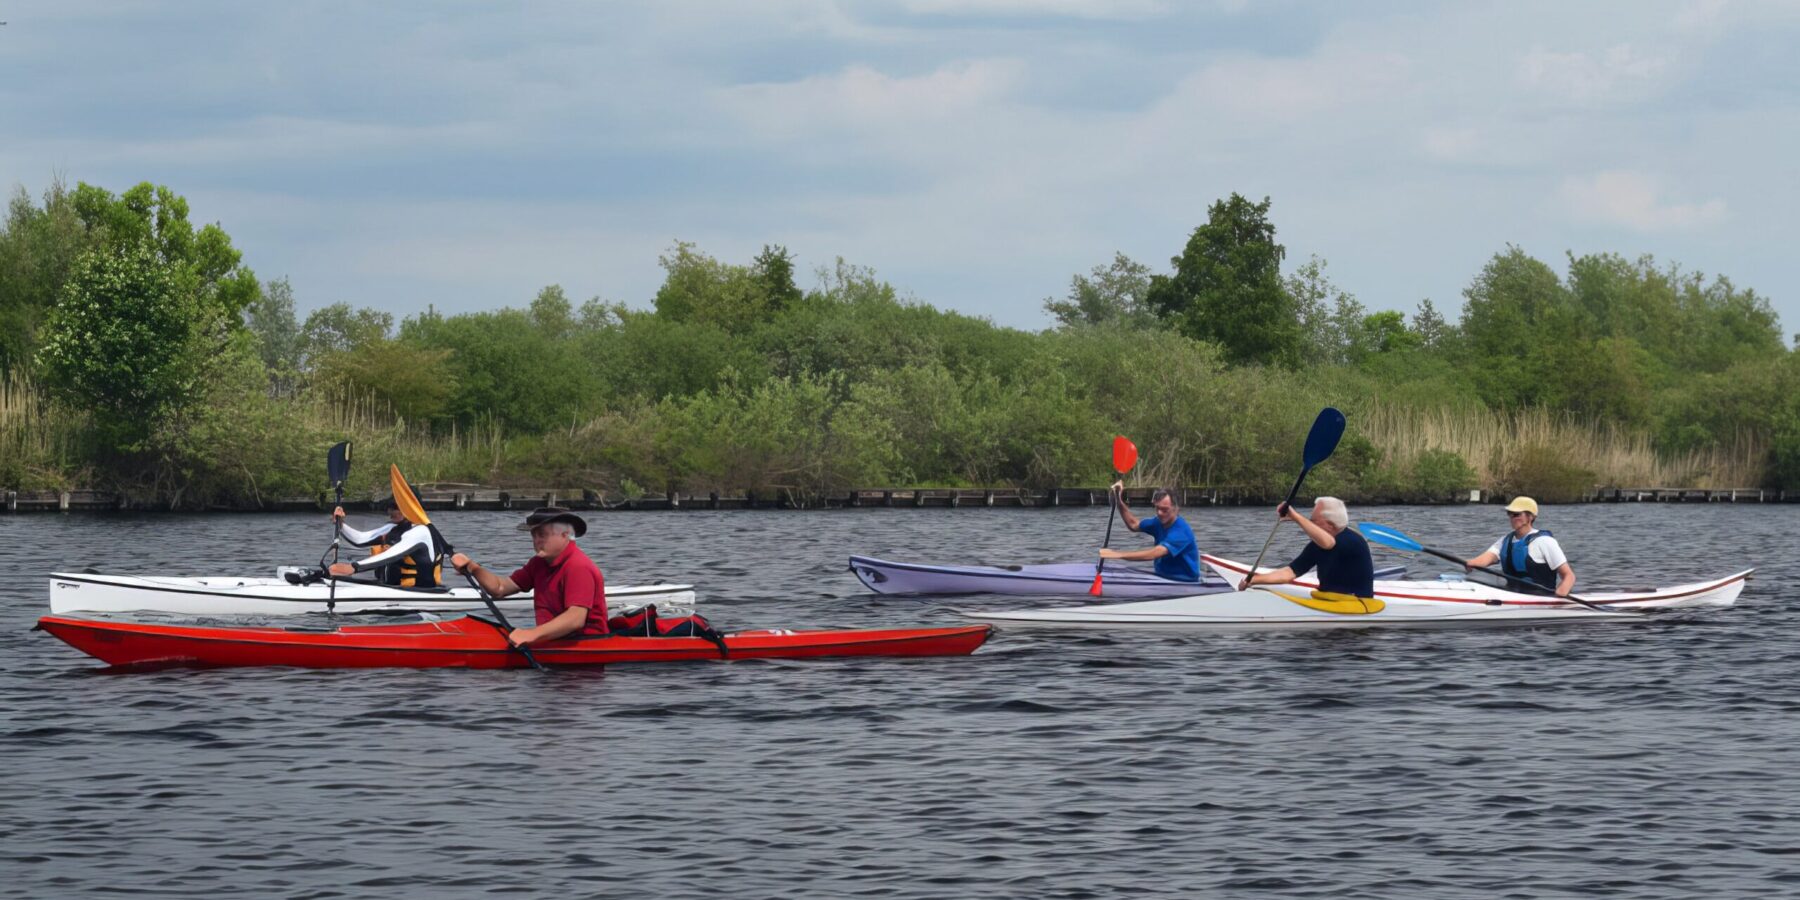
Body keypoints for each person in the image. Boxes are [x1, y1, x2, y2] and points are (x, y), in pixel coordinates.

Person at [449, 507, 608, 646]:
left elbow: (575, 619)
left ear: (565, 535)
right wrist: (473, 567)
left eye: (542, 535)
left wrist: (531, 634)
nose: (536, 541)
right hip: (553, 641)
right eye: (533, 536)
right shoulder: (538, 563)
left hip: (586, 645)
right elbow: (500, 588)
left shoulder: (578, 567)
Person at [1239, 497, 1374, 599]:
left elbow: (1329, 544)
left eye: (1313, 521)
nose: (1309, 524)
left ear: (1330, 525)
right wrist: (1252, 580)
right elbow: (1289, 573)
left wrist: (1295, 516)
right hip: (1329, 600)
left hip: (1357, 602)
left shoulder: (1352, 541)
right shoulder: (1318, 545)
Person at [1463, 496, 1575, 597]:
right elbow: (1487, 558)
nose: (1512, 518)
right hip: (1512, 594)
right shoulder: (1505, 541)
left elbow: (1569, 576)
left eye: (1516, 514)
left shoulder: (1545, 541)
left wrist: (1558, 598)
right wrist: (1471, 563)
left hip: (1540, 598)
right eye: (1510, 514)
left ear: (1530, 517)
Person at [327, 499, 445, 588]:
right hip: (390, 589)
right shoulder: (391, 528)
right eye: (390, 507)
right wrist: (341, 524)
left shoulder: (421, 531)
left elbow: (391, 554)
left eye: (395, 508)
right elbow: (359, 539)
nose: (390, 512)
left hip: (419, 594)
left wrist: (354, 567)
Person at [1098, 484, 1200, 582]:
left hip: (1184, 581)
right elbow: (1133, 524)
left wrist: (1117, 554)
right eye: (1157, 508)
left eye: (1164, 510)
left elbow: (1155, 553)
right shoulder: (1157, 523)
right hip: (1162, 577)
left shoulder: (1181, 531)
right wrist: (1118, 499)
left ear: (1176, 509)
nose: (1159, 513)